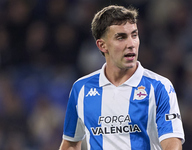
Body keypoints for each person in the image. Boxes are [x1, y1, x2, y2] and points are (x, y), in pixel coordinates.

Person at [59, 5, 185, 150]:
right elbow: (71, 143)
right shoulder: (81, 89)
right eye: (121, 37)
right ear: (102, 45)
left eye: (134, 35)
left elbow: (172, 142)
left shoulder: (159, 86)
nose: (131, 44)